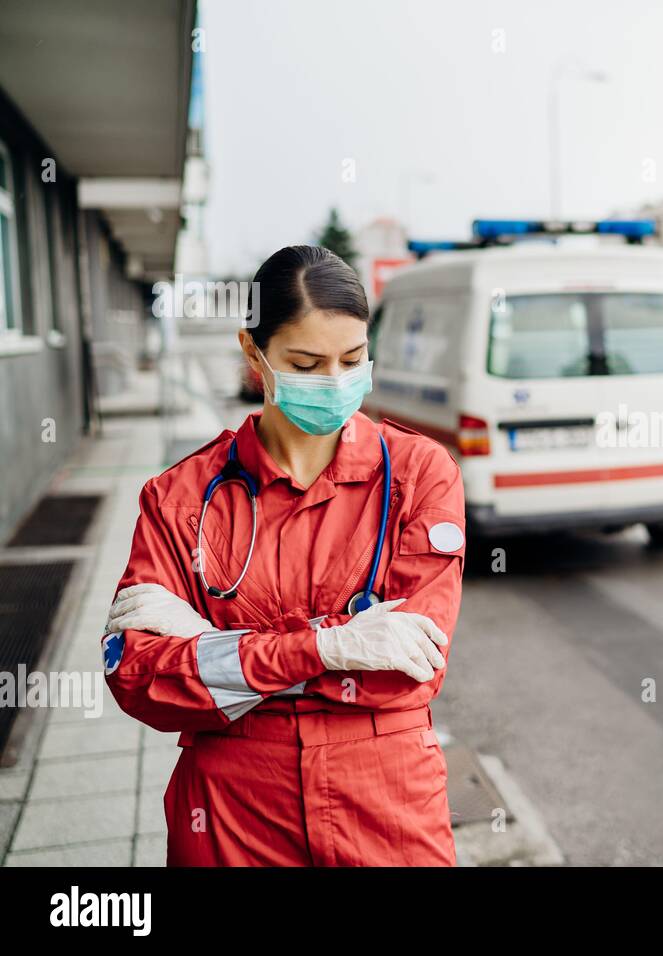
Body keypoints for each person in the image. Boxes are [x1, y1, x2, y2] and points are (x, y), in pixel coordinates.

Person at [101, 245, 465, 866]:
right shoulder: (180, 498)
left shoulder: (419, 475)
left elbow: (410, 668)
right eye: (306, 362)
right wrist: (329, 647)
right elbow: (141, 681)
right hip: (234, 811)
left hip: (386, 801)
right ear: (254, 353)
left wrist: (218, 651)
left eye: (352, 360)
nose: (333, 381)